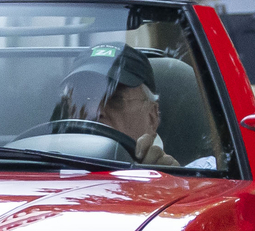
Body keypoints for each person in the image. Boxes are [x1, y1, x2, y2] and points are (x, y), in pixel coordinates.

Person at [49, 47, 177, 166]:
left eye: (116, 99)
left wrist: (165, 182)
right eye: (83, 100)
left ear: (152, 117)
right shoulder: (39, 165)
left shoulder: (180, 180)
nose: (94, 111)